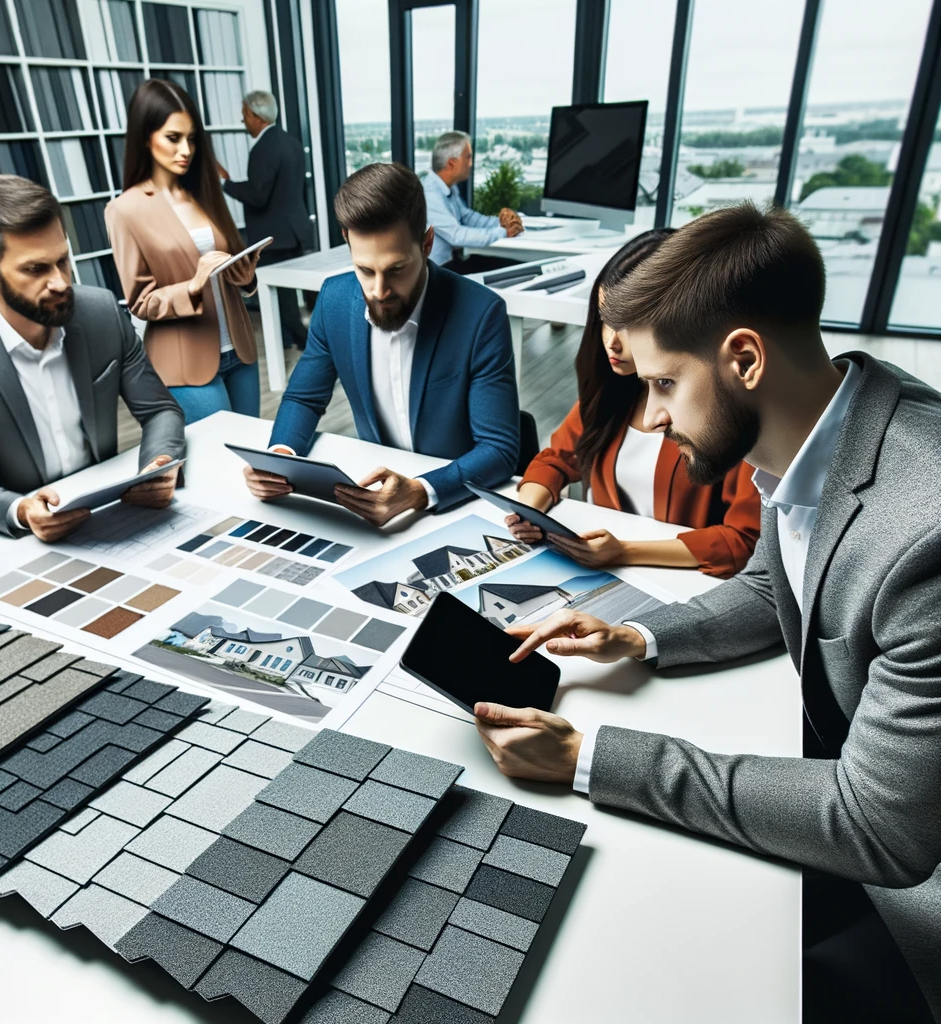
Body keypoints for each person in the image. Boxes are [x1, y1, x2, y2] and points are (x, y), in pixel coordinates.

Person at [473, 204, 940, 1022]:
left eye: (663, 383)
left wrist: (590, 758)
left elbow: (879, 827)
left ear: (744, 359)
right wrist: (637, 635)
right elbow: (770, 585)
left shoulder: (924, 531)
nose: (648, 415)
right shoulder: (830, 423)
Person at [244, 162, 519, 525]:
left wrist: (420, 491)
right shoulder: (334, 300)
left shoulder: (481, 314)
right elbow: (304, 397)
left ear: (427, 242)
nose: (378, 291)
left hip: (456, 503)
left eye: (396, 269)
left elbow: (499, 449)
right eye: (365, 270)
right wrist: (280, 458)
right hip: (371, 497)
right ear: (347, 240)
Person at [0, 174, 185, 540]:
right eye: (35, 269)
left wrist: (159, 465)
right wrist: (21, 510)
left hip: (92, 517)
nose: (60, 282)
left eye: (63, 260)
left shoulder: (102, 312)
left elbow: (159, 410)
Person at [510, 229, 761, 578]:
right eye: (605, 321)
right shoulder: (611, 391)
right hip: (595, 570)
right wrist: (529, 511)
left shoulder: (725, 411)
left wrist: (624, 552)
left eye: (627, 325)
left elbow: (744, 541)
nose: (612, 341)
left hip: (673, 582)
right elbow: (558, 458)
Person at [105, 78, 260, 426]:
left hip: (240, 350)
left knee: (255, 462)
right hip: (185, 361)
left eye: (191, 139)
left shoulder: (204, 193)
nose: (186, 150)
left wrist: (246, 279)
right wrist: (193, 284)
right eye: (173, 138)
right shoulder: (124, 210)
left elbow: (230, 269)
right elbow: (140, 303)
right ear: (146, 137)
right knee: (222, 465)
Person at [217, 89, 313, 351]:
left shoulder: (262, 148)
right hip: (293, 230)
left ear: (256, 115)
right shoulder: (291, 142)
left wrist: (225, 183)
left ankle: (304, 342)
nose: (243, 121)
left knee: (278, 295)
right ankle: (287, 339)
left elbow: (258, 196)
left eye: (244, 115)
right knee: (286, 293)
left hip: (273, 235)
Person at [423, 131, 523, 272]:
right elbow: (456, 235)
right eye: (468, 157)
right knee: (509, 270)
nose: (470, 163)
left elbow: (468, 217)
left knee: (513, 266)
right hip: (441, 271)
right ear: (452, 162)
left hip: (455, 263)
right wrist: (503, 232)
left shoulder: (447, 187)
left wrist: (501, 222)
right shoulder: (430, 194)